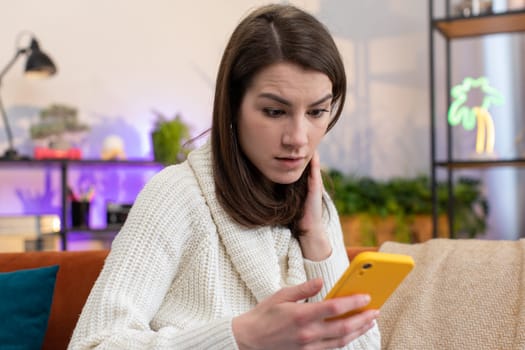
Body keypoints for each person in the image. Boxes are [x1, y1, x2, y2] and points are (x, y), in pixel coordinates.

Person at [68, 4, 380, 349]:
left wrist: (315, 241)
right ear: (232, 105)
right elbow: (92, 344)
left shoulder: (314, 208)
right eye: (274, 111)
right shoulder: (175, 197)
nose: (298, 138)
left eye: (317, 112)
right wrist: (238, 338)